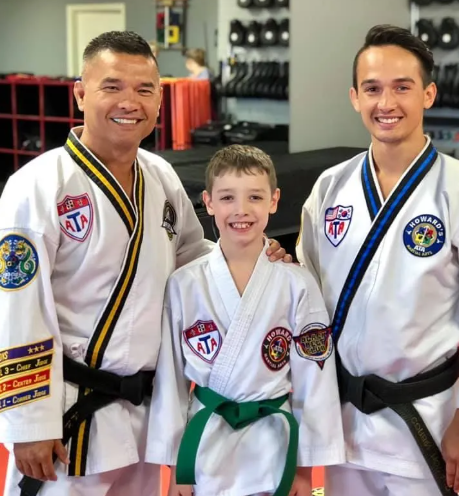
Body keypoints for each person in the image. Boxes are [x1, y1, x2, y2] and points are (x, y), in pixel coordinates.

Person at [0, 31, 287, 496]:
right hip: (69, 418)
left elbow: (197, 262)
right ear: (80, 93)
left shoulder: (160, 176)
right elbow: (17, 310)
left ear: (158, 101)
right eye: (111, 87)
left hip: (145, 412)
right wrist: (28, 420)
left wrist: (257, 258)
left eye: (144, 89)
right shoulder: (35, 186)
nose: (129, 102)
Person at [296, 24, 459, 496]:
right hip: (341, 418)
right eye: (373, 89)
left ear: (428, 94)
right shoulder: (330, 188)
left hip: (423, 421)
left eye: (403, 87)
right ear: (354, 97)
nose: (387, 103)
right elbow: (305, 299)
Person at [145, 144, 346, 496]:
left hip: (274, 448)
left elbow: (316, 380)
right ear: (207, 202)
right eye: (227, 198)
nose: (241, 210)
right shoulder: (184, 283)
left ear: (274, 200)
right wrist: (178, 464)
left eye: (255, 197)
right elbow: (170, 380)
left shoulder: (297, 283)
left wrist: (304, 467)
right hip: (205, 448)